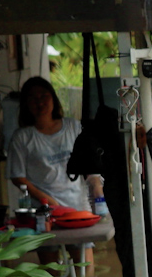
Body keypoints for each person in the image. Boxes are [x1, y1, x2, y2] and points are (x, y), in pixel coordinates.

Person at [7, 77, 100, 212]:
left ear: (53, 98)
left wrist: (98, 189)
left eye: (44, 96)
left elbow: (90, 163)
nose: (40, 102)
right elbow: (18, 177)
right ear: (26, 104)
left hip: (80, 207)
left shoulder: (73, 127)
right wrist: (47, 201)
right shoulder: (22, 137)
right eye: (33, 98)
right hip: (45, 211)